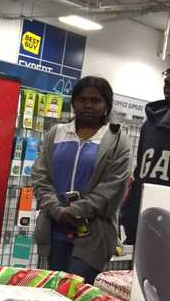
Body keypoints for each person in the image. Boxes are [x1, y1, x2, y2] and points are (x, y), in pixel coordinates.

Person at [32, 77, 131, 284]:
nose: (88, 105)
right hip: (54, 227)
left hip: (94, 232)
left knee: (75, 292)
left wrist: (77, 210)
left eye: (96, 101)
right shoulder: (56, 133)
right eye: (82, 99)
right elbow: (40, 176)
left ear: (106, 106)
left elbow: (112, 186)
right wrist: (57, 210)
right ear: (73, 102)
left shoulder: (116, 140)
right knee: (52, 291)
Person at [120, 67, 170, 244]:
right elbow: (140, 173)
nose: (167, 86)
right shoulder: (149, 124)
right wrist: (128, 215)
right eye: (166, 82)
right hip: (143, 219)